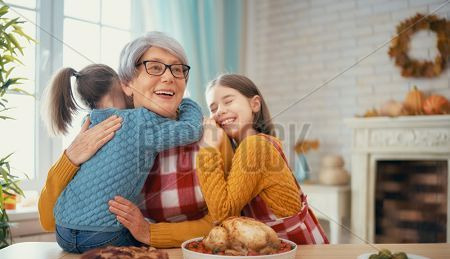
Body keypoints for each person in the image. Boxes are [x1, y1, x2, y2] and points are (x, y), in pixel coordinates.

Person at [38, 32, 233, 249]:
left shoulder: (212, 136)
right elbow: (48, 220)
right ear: (127, 84)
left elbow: (225, 221)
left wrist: (151, 233)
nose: (169, 77)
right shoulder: (100, 134)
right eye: (155, 67)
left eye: (177, 69)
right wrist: (70, 158)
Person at [110, 74, 329, 245]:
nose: (220, 112)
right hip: (283, 251)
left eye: (228, 101)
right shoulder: (250, 147)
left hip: (301, 253)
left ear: (254, 104)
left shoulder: (256, 146)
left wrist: (207, 149)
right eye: (213, 108)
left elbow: (223, 215)